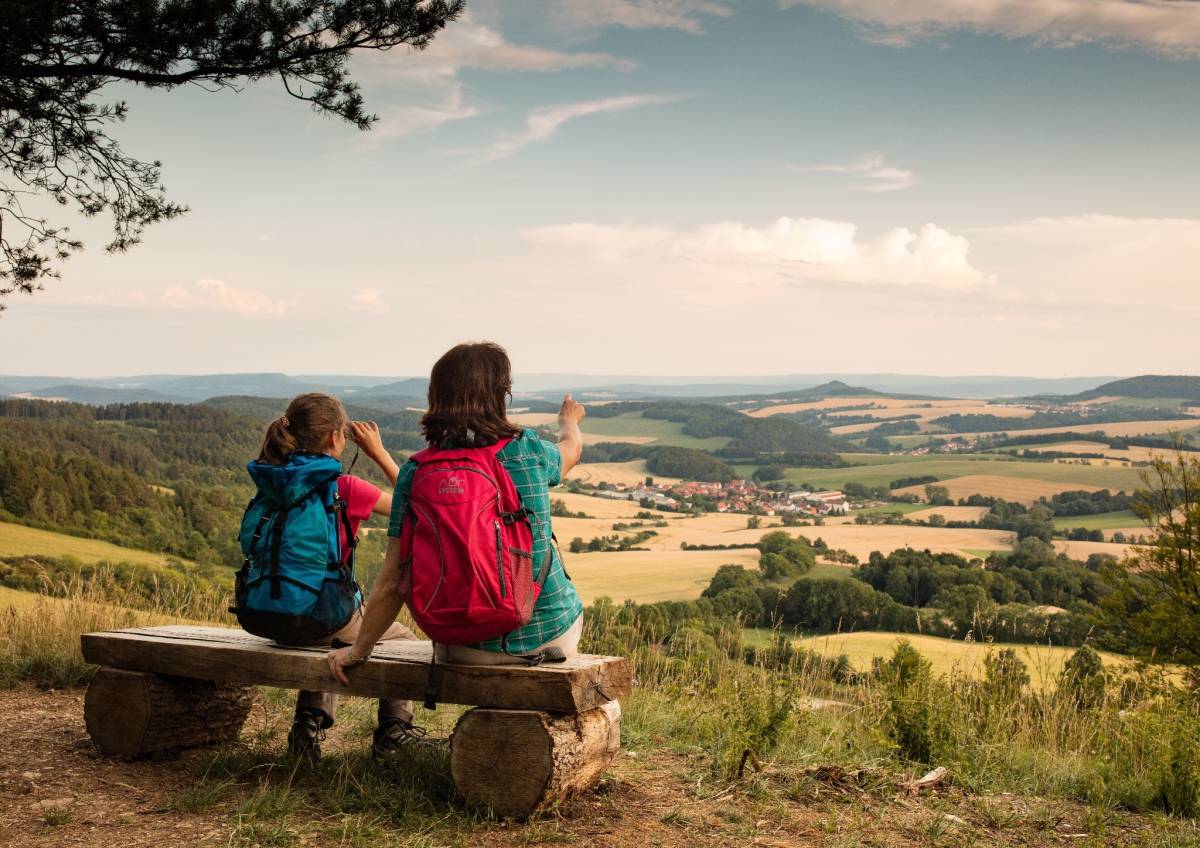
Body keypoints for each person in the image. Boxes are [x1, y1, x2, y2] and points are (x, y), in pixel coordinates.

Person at [326, 342, 585, 687]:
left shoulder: (416, 471)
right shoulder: (528, 451)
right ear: (502, 393)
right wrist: (568, 421)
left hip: (458, 646)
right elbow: (571, 450)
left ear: (436, 396)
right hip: (545, 637)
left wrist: (359, 650)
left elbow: (392, 580)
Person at [247, 392, 427, 758]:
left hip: (266, 614)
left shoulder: (275, 481)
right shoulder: (346, 489)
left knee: (328, 629)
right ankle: (393, 729)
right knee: (398, 636)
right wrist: (379, 453)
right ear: (335, 438)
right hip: (318, 617)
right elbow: (415, 505)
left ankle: (307, 724)